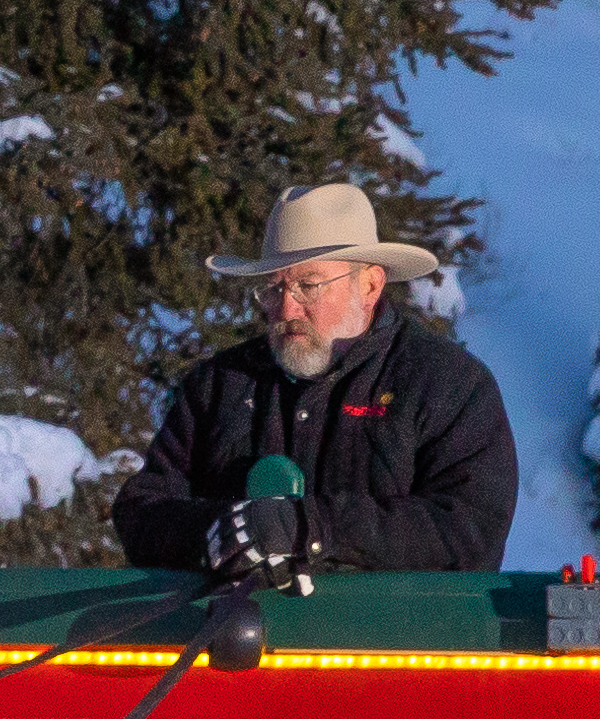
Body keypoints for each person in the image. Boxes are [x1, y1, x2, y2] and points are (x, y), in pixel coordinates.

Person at [104, 179, 521, 574]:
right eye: (273, 288)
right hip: (239, 640)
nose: (286, 309)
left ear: (371, 284)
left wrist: (315, 529)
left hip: (392, 643)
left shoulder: (446, 385)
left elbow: (469, 530)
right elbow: (142, 510)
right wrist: (219, 531)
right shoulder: (219, 386)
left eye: (308, 285)